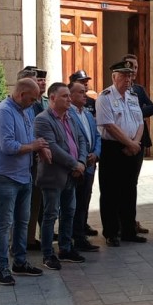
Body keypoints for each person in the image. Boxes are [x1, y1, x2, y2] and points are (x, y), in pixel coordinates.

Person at [0, 79, 50, 285]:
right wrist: (34, 146)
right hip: (5, 176)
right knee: (4, 224)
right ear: (22, 94)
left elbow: (30, 138)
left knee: (23, 221)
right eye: (32, 99)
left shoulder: (26, 111)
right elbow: (8, 146)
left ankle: (20, 262)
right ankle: (2, 268)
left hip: (23, 175)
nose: (34, 103)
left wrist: (38, 147)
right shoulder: (3, 111)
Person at [34, 83, 88, 270]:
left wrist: (81, 161)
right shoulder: (43, 119)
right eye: (65, 96)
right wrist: (75, 164)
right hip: (54, 175)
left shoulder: (70, 116)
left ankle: (65, 248)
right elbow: (53, 148)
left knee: (69, 212)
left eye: (69, 96)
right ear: (53, 98)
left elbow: (81, 139)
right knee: (50, 215)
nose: (69, 99)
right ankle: (48, 254)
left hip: (72, 175)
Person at [96, 61, 146, 246]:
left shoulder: (133, 97)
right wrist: (129, 143)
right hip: (113, 148)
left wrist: (135, 143)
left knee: (129, 190)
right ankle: (111, 232)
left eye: (130, 75)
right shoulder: (105, 97)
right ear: (114, 77)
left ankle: (128, 230)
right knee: (110, 191)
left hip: (132, 147)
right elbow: (109, 125)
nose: (128, 79)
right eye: (124, 76)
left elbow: (140, 122)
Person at [123, 53, 153, 235]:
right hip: (122, 143)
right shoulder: (114, 91)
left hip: (139, 141)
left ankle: (131, 220)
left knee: (133, 183)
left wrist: (136, 112)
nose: (133, 71)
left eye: (135, 67)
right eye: (129, 67)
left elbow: (152, 107)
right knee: (122, 183)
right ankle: (121, 221)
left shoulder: (139, 90)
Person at [69, 80, 101, 251]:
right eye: (81, 92)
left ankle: (80, 235)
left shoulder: (88, 114)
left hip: (90, 164)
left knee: (84, 202)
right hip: (75, 166)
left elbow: (97, 135)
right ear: (71, 95)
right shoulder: (68, 114)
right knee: (71, 203)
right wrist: (81, 159)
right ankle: (72, 237)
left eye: (85, 92)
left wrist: (96, 153)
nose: (85, 95)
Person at [20, 66, 49, 251]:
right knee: (20, 205)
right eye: (32, 79)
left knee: (36, 201)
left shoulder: (37, 105)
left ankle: (30, 238)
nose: (37, 82)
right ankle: (19, 241)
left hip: (35, 160)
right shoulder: (10, 108)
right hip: (20, 160)